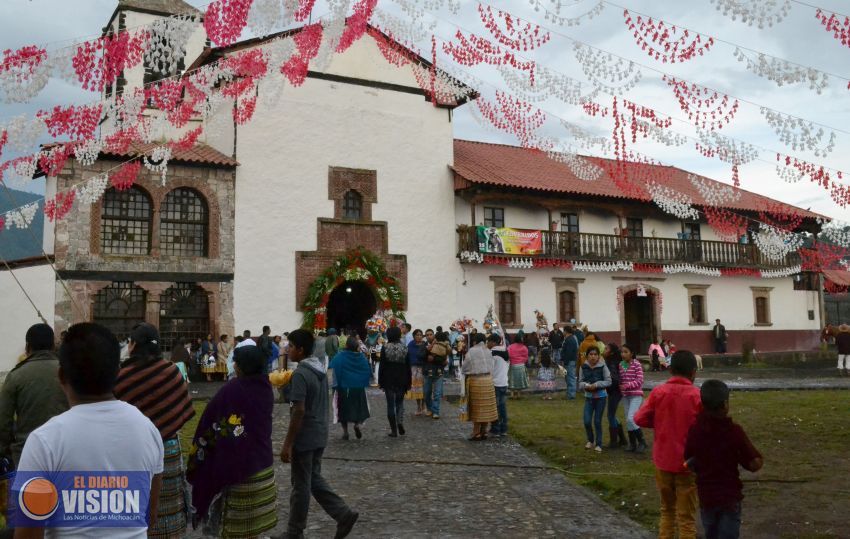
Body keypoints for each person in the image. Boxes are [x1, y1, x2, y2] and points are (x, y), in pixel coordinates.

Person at [14, 323, 164, 537]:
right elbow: (149, 515)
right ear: (118, 372)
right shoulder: (148, 429)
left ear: (61, 376)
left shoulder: (44, 441)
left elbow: (28, 533)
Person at [114, 323, 195, 538]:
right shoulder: (170, 371)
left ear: (132, 345)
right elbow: (180, 411)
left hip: (133, 453)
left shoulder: (121, 377)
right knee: (167, 503)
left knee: (133, 502)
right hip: (168, 448)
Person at [187, 345, 277, 538]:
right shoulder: (265, 386)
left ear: (241, 366)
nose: (233, 365)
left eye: (235, 361)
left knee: (234, 530)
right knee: (252, 529)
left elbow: (211, 421)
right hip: (263, 464)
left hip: (239, 471)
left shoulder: (232, 389)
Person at [280, 329, 358, 539]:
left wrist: (287, 443)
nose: (288, 349)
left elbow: (299, 410)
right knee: (312, 479)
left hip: (305, 436)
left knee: (301, 485)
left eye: (291, 346)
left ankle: (295, 531)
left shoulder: (301, 374)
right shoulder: (319, 370)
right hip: (319, 432)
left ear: (301, 349)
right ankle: (343, 514)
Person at [635, 350, 702, 539]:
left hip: (663, 462)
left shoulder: (659, 392)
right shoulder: (697, 396)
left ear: (670, 370)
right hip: (688, 464)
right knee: (686, 517)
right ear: (693, 372)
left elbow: (639, 418)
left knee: (667, 511)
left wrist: (659, 422)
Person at [684, 380, 763, 539]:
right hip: (729, 497)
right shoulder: (734, 432)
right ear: (725, 405)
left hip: (706, 497)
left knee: (711, 533)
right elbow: (753, 463)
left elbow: (688, 460)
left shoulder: (695, 430)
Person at [0, 323, 69, 468]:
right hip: (65, 452)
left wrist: (4, 453)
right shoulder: (69, 373)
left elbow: (3, 422)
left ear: (27, 347)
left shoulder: (16, 376)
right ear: (53, 346)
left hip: (26, 455)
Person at [329, 336, 372, 440]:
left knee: (343, 409)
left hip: (343, 387)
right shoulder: (361, 357)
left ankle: (345, 432)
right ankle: (357, 424)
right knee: (358, 407)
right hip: (358, 388)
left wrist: (335, 386)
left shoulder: (340, 356)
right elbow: (367, 371)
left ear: (346, 345)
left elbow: (335, 371)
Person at [461, 333, 498, 441]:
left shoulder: (472, 351)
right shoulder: (488, 351)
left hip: (476, 381)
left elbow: (465, 367)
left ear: (474, 341)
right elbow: (492, 366)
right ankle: (484, 431)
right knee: (486, 407)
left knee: (477, 407)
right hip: (488, 381)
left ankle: (476, 432)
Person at [378, 326, 411, 437]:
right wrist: (409, 381)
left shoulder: (385, 348)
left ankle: (393, 430)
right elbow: (408, 366)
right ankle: (400, 422)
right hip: (402, 377)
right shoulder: (405, 348)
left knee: (390, 405)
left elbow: (382, 366)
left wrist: (380, 381)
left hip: (389, 378)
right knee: (400, 402)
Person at [579, 347, 611, 452]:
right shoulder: (583, 367)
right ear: (587, 356)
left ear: (598, 356)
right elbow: (580, 382)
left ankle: (599, 443)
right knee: (587, 421)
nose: (593, 356)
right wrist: (586, 385)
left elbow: (608, 381)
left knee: (597, 421)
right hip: (589, 398)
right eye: (591, 354)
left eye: (595, 354)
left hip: (601, 397)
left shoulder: (603, 366)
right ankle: (590, 440)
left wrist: (597, 385)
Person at [619, 344, 647, 453]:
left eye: (626, 352)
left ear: (631, 353)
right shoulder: (620, 365)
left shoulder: (637, 364)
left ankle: (642, 441)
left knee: (631, 418)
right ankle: (632, 444)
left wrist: (627, 385)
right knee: (627, 419)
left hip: (636, 395)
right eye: (622, 352)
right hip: (625, 396)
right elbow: (620, 379)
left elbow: (640, 380)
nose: (623, 354)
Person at [604, 343, 628, 449]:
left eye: (606, 349)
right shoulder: (610, 361)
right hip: (613, 391)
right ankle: (622, 439)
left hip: (615, 391)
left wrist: (606, 384)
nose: (604, 350)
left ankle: (614, 442)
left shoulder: (612, 363)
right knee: (612, 415)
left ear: (611, 352)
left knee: (610, 415)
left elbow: (614, 378)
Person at [486, 333, 509, 437]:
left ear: (493, 342)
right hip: (504, 382)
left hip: (495, 383)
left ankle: (495, 429)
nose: (487, 343)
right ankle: (503, 429)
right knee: (502, 407)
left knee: (494, 408)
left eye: (488, 341)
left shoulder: (492, 353)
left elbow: (489, 370)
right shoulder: (505, 351)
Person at [423, 331, 450, 419]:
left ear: (434, 336)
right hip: (428, 372)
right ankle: (430, 408)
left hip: (439, 372)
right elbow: (421, 356)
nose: (429, 336)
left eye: (431, 334)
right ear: (425, 336)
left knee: (437, 393)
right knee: (427, 393)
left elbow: (445, 357)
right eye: (427, 335)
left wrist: (440, 360)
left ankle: (436, 411)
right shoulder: (424, 345)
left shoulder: (443, 344)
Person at [406, 329, 426, 415]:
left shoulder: (425, 345)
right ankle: (418, 406)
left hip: (423, 369)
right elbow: (408, 357)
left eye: (420, 335)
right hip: (414, 369)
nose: (419, 336)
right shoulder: (410, 345)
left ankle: (424, 405)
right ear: (414, 336)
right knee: (416, 389)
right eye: (417, 335)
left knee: (425, 388)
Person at [507, 330, 529, 399]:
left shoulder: (510, 347)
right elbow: (526, 357)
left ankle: (512, 394)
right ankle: (519, 394)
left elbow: (508, 355)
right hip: (521, 365)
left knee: (512, 380)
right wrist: (522, 362)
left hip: (513, 365)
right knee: (519, 380)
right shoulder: (524, 347)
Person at [561, 326, 579, 400]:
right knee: (568, 378)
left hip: (569, 361)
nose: (563, 332)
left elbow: (569, 352)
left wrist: (565, 361)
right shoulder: (569, 339)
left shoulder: (570, 339)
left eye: (563, 331)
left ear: (566, 331)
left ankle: (571, 395)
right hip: (569, 361)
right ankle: (569, 394)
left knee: (570, 378)